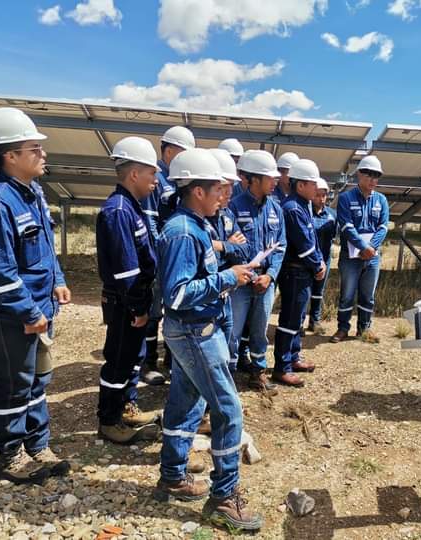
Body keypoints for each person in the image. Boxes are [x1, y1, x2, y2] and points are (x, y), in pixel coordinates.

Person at [154, 148, 263, 532]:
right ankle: (224, 497)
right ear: (197, 190)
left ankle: (171, 475)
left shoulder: (197, 224)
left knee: (185, 402)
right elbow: (178, 295)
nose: (225, 195)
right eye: (219, 188)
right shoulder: (183, 231)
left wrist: (230, 273)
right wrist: (229, 278)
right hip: (193, 331)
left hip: (197, 328)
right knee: (229, 410)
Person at [0, 107, 71, 484]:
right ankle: (9, 455)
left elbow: (44, 243)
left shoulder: (32, 193)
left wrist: (57, 277)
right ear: (9, 155)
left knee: (37, 380)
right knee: (13, 383)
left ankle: (36, 444)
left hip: (39, 310)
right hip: (12, 316)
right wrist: (28, 312)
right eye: (34, 149)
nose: (44, 154)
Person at [95, 136, 162, 444]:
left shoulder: (130, 207)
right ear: (134, 174)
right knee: (118, 361)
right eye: (152, 173)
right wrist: (137, 309)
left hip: (133, 300)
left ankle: (125, 408)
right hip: (125, 303)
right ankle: (109, 421)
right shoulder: (119, 211)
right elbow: (127, 272)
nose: (156, 179)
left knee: (132, 358)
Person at [142, 126, 196, 385]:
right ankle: (148, 362)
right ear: (169, 150)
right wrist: (159, 253)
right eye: (183, 152)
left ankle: (170, 356)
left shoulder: (177, 178)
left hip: (175, 253)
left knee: (174, 306)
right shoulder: (155, 177)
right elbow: (151, 221)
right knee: (153, 311)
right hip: (160, 254)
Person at [228, 150, 286, 392]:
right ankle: (228, 376)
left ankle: (258, 371)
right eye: (269, 177)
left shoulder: (276, 209)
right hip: (240, 282)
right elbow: (227, 245)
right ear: (252, 179)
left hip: (265, 281)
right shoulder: (232, 207)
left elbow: (280, 246)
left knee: (260, 330)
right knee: (233, 330)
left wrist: (270, 275)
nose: (275, 181)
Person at [273, 159, 327, 386]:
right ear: (300, 185)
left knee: (297, 318)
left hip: (301, 271)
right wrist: (318, 264)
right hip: (295, 271)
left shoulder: (301, 205)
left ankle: (293, 357)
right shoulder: (293, 208)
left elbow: (310, 239)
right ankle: (282, 367)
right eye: (312, 183)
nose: (317, 188)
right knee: (289, 319)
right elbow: (304, 244)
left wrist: (318, 262)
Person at [331, 155, 389, 344]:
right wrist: (362, 246)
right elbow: (346, 226)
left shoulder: (381, 200)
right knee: (347, 294)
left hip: (372, 257)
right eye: (369, 174)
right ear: (359, 175)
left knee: (368, 295)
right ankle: (342, 328)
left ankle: (364, 328)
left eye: (376, 176)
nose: (373, 179)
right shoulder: (346, 198)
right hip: (350, 256)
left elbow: (383, 227)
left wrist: (371, 248)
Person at [207, 148, 250, 371]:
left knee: (224, 347)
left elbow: (244, 249)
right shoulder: (195, 219)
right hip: (206, 298)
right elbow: (201, 255)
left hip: (225, 294)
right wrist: (227, 246)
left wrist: (221, 246)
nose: (232, 192)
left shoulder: (226, 215)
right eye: (227, 187)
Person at [306, 178, 337, 334]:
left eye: (324, 195)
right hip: (307, 259)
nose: (321, 198)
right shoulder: (305, 213)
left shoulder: (332, 215)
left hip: (325, 259)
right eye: (318, 195)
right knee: (304, 291)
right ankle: (298, 322)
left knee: (318, 291)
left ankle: (314, 321)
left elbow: (335, 235)